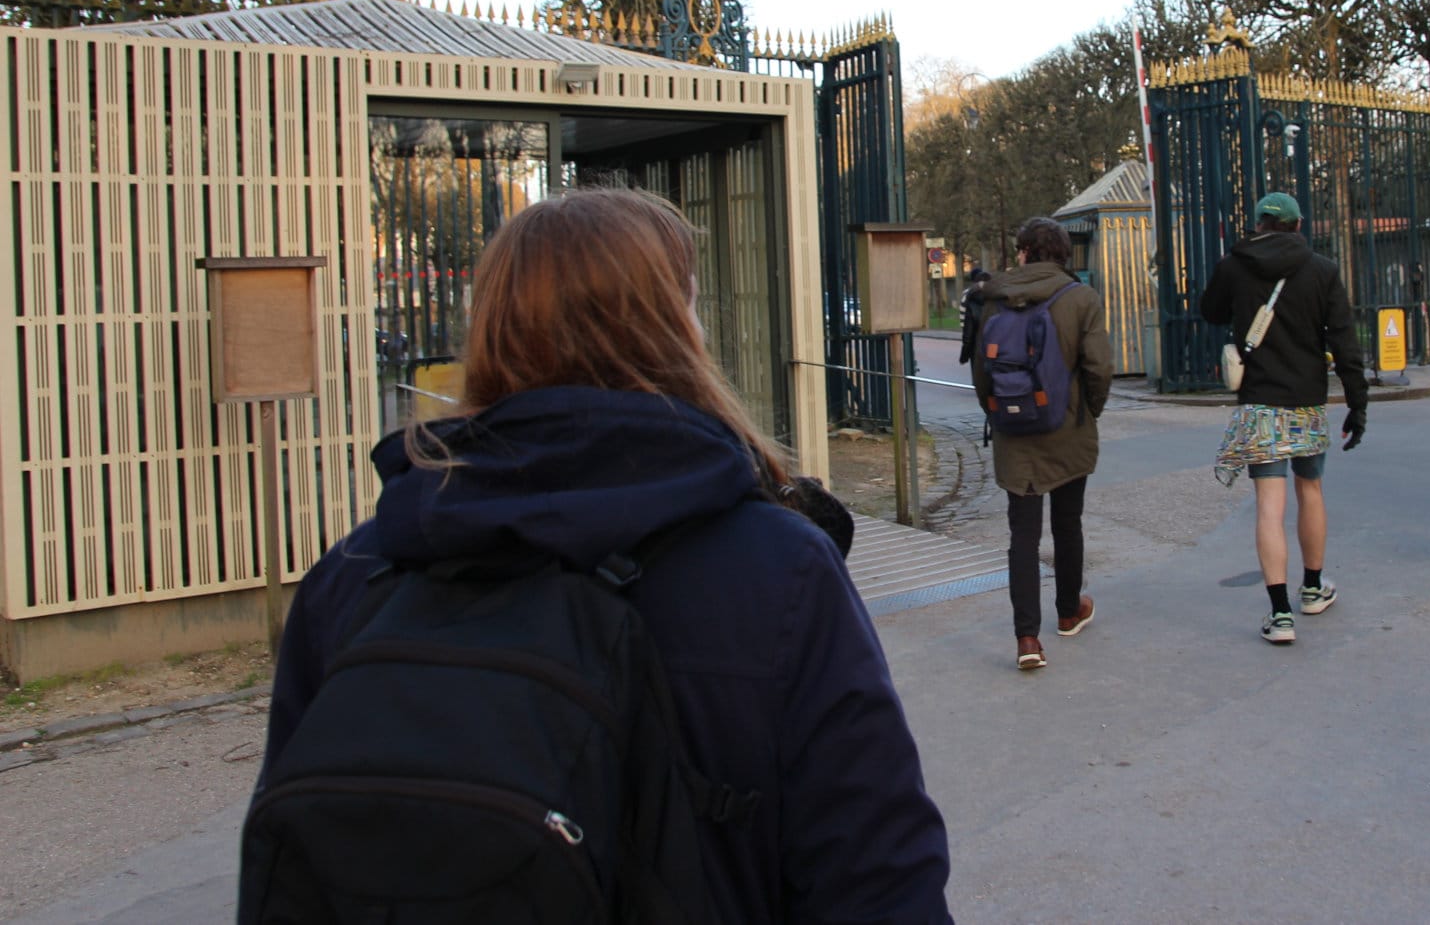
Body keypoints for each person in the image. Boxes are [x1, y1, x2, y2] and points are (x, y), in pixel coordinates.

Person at [252, 189, 953, 920]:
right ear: (674, 331)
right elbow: (879, 880)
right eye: (692, 303)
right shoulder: (779, 572)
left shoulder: (354, 576)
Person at [1200, 191, 1368, 645]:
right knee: (1310, 490)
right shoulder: (1322, 270)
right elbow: (1345, 340)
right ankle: (1312, 588)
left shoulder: (1234, 264)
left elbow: (1209, 311)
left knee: (1268, 508)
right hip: (1307, 402)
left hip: (1260, 402)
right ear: (1297, 226)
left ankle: (1280, 616)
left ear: (1259, 225)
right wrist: (1357, 402)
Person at [969, 219, 1112, 671]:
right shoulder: (1082, 299)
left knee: (1023, 537)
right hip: (1067, 429)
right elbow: (1099, 369)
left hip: (1016, 433)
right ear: (1064, 256)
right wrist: (1089, 410)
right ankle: (1069, 612)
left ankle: (1028, 639)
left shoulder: (992, 299)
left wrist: (1000, 413)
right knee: (1068, 525)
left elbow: (980, 372)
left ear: (1025, 253)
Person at [956, 266, 992, 365]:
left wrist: (964, 355)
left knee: (978, 377)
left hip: (976, 348)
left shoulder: (967, 295)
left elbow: (966, 327)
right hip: (995, 347)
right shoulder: (995, 295)